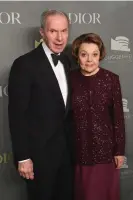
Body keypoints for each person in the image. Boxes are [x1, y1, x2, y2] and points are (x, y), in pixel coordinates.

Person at [8, 10, 73, 200]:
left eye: (64, 31)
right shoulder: (24, 65)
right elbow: (16, 115)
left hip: (68, 155)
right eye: (53, 31)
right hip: (39, 158)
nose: (60, 38)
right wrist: (23, 157)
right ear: (42, 32)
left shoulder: (69, 62)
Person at [70, 33, 125, 200]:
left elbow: (118, 118)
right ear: (77, 55)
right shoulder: (69, 78)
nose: (89, 60)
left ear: (100, 55)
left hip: (105, 152)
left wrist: (119, 151)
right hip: (79, 151)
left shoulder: (111, 79)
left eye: (94, 54)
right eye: (84, 54)